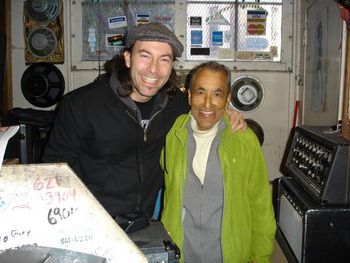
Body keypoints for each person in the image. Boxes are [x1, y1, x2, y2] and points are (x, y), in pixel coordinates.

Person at [42, 22, 246, 222]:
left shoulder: (176, 104)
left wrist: (227, 112)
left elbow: (205, 104)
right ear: (128, 58)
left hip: (142, 223)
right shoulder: (81, 105)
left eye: (164, 60)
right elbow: (53, 171)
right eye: (145, 56)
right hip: (89, 222)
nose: (153, 70)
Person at [160, 61, 276, 263]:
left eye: (217, 94)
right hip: (180, 251)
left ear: (228, 99)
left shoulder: (244, 140)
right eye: (200, 92)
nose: (207, 103)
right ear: (189, 95)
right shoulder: (174, 134)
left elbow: (261, 205)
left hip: (229, 254)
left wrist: (260, 256)